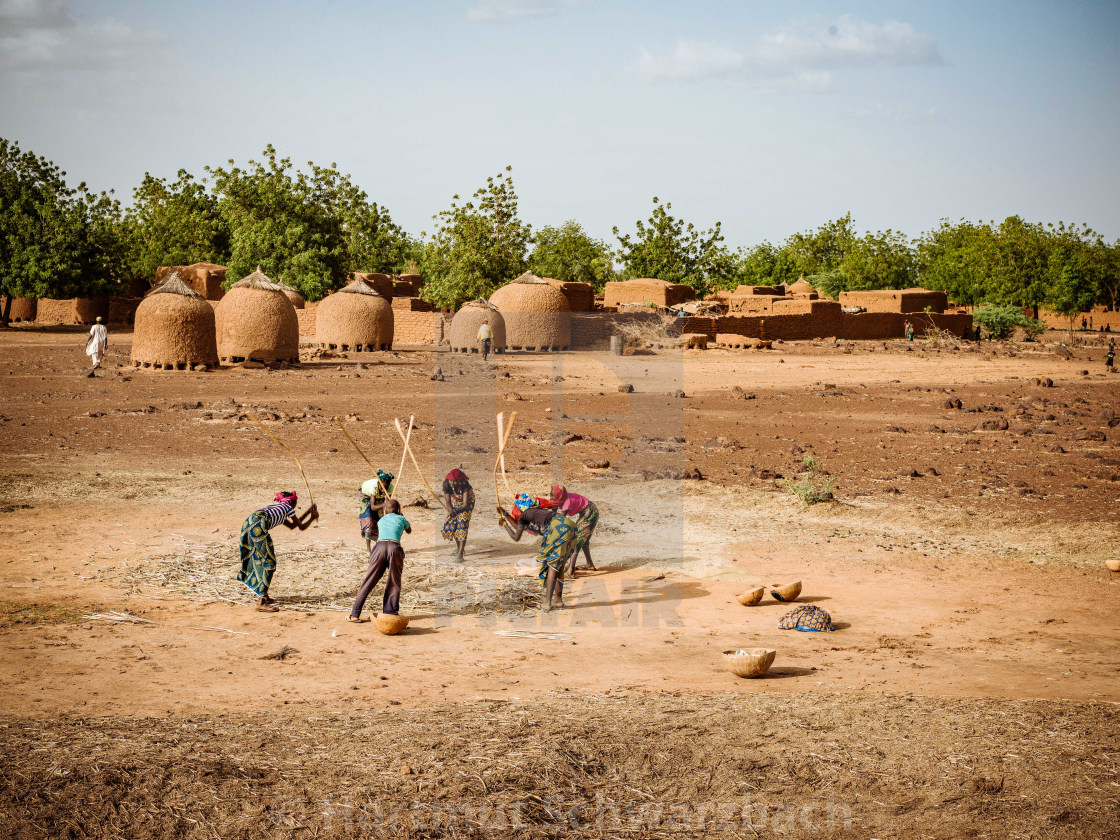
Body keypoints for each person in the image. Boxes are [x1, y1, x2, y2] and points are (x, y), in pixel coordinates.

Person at [237, 491, 318, 612]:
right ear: (292, 502)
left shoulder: (277, 508)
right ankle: (261, 601)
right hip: (258, 526)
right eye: (295, 504)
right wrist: (312, 517)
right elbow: (300, 526)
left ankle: (264, 595)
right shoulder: (288, 507)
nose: (295, 507)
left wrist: (308, 512)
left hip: (250, 522)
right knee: (269, 563)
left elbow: (292, 526)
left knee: (264, 559)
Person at [497, 495, 576, 612]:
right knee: (558, 565)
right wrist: (505, 515)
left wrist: (504, 525)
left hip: (557, 528)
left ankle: (547, 603)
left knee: (551, 566)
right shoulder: (536, 512)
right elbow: (519, 526)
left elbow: (516, 537)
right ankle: (558, 601)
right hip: (570, 526)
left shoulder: (524, 515)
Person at [349, 499, 411, 622]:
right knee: (394, 581)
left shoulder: (382, 520)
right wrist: (402, 517)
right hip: (394, 548)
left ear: (384, 511)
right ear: (398, 510)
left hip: (379, 548)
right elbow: (408, 530)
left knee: (369, 580)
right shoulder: (401, 519)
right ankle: (390, 614)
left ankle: (355, 614)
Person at [550, 485, 599, 576]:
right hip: (586, 512)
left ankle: (571, 571)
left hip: (591, 512)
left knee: (576, 539)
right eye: (550, 495)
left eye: (553, 496)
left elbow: (561, 521)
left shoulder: (566, 503)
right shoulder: (559, 499)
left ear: (559, 497)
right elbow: (553, 513)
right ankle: (589, 564)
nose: (551, 498)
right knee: (584, 539)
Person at [441, 468, 475, 560]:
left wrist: (455, 512)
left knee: (462, 525)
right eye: (450, 480)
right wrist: (451, 510)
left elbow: (465, 505)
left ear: (459, 481)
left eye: (454, 481)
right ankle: (459, 548)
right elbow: (448, 502)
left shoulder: (465, 486)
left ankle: (460, 554)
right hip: (457, 502)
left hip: (467, 503)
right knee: (454, 524)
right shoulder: (446, 484)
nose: (451, 483)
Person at [358, 470, 394, 553]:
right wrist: (385, 505)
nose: (385, 489)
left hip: (379, 496)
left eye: (387, 487)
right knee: (368, 519)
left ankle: (379, 545)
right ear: (380, 484)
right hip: (366, 496)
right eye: (383, 487)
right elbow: (373, 507)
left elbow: (388, 503)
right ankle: (368, 548)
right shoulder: (373, 487)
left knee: (379, 520)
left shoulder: (391, 487)